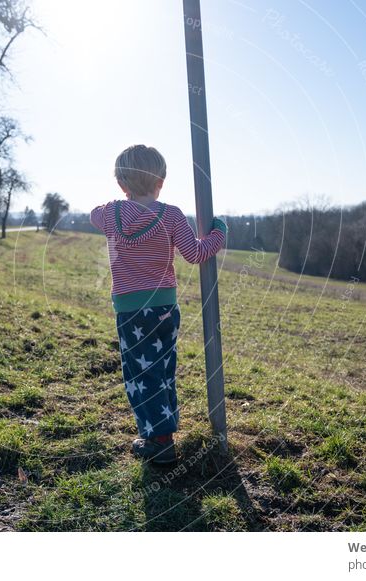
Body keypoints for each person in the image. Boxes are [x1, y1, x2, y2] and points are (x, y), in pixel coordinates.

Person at [90, 144, 226, 464]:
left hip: (129, 309)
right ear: (161, 180)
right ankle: (163, 430)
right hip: (164, 308)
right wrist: (219, 233)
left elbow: (93, 213)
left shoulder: (110, 214)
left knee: (140, 374)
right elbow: (195, 254)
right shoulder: (172, 216)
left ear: (121, 183)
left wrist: (121, 200)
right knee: (163, 370)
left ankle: (159, 442)